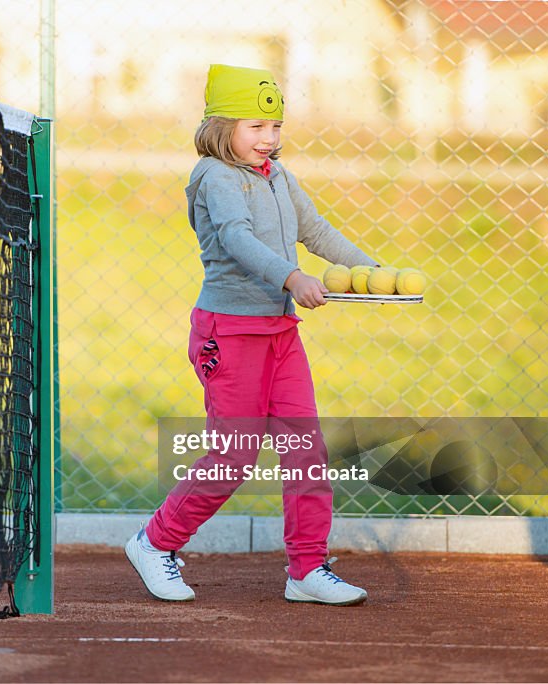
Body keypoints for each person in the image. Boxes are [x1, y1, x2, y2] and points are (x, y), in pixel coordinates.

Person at [125, 64, 376, 606]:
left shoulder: (278, 175)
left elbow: (315, 231)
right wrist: (292, 277)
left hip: (281, 331)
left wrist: (369, 270)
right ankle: (154, 542)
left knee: (305, 449)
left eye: (275, 126)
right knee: (234, 454)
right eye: (255, 126)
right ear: (221, 126)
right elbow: (237, 239)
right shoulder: (215, 177)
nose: (269, 138)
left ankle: (307, 569)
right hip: (230, 333)